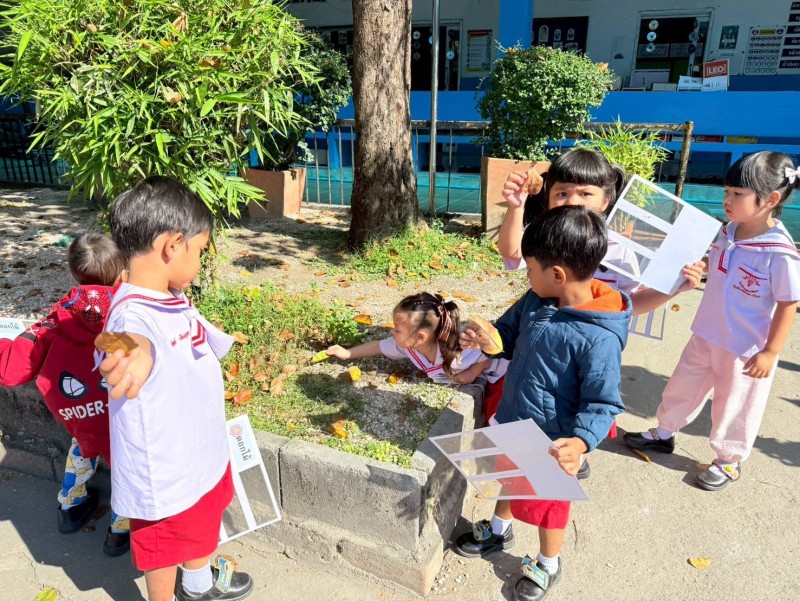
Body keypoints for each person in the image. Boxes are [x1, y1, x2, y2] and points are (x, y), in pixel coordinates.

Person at [455, 205, 631, 601]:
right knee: (508, 477)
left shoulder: (599, 338)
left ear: (558, 275)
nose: (526, 276)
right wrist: (487, 339)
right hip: (515, 417)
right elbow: (507, 334)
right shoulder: (537, 298)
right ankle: (499, 530)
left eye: (530, 268)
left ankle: (548, 563)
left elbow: (603, 402)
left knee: (549, 507)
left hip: (552, 440)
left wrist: (581, 442)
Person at [96, 176, 253, 601]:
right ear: (172, 245)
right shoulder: (130, 315)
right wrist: (132, 353)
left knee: (201, 522)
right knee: (165, 545)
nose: (200, 261)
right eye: (200, 251)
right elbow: (118, 340)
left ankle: (198, 585)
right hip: (165, 469)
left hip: (198, 450)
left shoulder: (166, 294)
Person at [496, 149, 704, 439]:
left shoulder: (619, 251)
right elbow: (511, 253)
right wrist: (516, 207)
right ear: (548, 197)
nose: (572, 202)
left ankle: (576, 446)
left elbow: (628, 303)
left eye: (585, 194)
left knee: (576, 412)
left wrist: (673, 289)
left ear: (606, 201)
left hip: (583, 354)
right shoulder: (544, 234)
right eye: (562, 193)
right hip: (538, 349)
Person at [624, 151, 800, 491]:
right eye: (726, 191)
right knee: (682, 387)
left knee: (736, 405)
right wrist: (699, 268)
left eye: (738, 194)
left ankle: (729, 460)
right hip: (705, 333)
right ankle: (664, 432)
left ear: (771, 200)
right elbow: (716, 263)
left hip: (745, 350)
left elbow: (788, 304)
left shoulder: (780, 252)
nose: (727, 200)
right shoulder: (728, 231)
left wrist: (770, 352)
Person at [0, 232, 130, 556]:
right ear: (123, 273)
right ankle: (119, 530)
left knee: (83, 445)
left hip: (77, 409)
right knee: (126, 465)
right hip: (121, 410)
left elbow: (12, 370)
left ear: (73, 274)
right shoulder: (131, 311)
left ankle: (70, 507)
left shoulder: (59, 315)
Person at [326, 292, 506, 387]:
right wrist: (347, 353)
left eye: (397, 329)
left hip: (504, 369)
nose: (392, 332)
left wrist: (472, 373)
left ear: (420, 337)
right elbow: (378, 346)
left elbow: (485, 353)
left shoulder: (459, 348)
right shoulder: (408, 346)